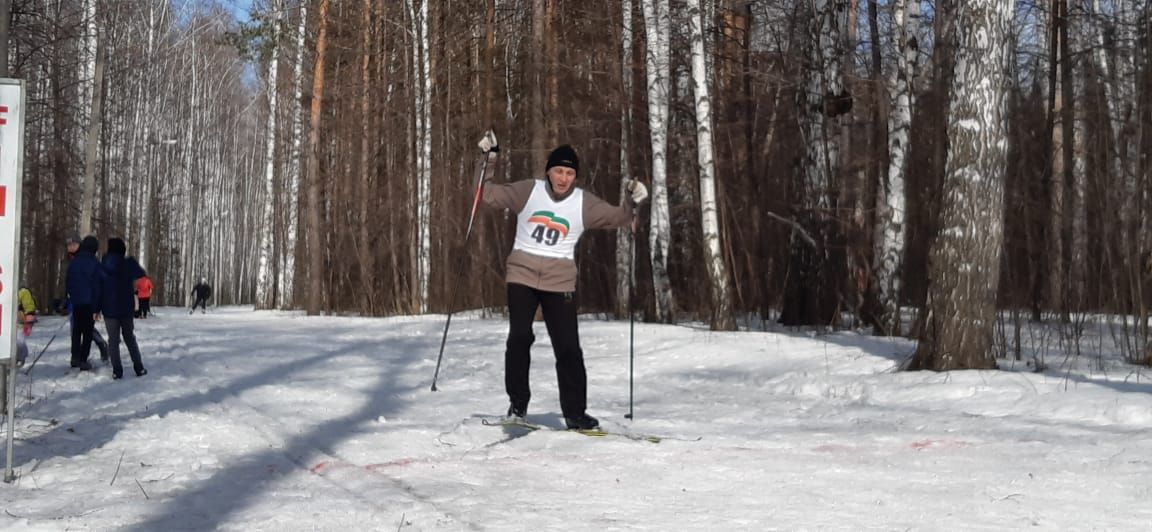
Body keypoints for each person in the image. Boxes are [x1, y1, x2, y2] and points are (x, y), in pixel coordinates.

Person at [480, 143, 648, 430]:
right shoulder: (528, 190)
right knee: (519, 337)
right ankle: (517, 405)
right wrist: (488, 160)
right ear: (549, 171)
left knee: (568, 348)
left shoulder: (584, 203)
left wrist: (633, 201)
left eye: (569, 173)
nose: (563, 178)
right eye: (558, 171)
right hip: (522, 274)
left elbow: (620, 218)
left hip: (560, 281)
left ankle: (575, 413)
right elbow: (487, 195)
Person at [101, 238, 148, 379]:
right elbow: (141, 273)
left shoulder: (103, 265)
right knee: (129, 338)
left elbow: (98, 287)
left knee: (113, 341)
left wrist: (96, 308)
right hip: (126, 308)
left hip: (109, 309)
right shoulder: (128, 263)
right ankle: (139, 368)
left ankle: (117, 370)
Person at [66, 233, 109, 360]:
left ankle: (75, 357)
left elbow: (68, 281)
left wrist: (70, 297)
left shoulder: (74, 261)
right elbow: (98, 286)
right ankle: (83, 358)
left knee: (76, 330)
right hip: (89, 302)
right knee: (87, 332)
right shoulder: (95, 263)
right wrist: (97, 308)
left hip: (76, 302)